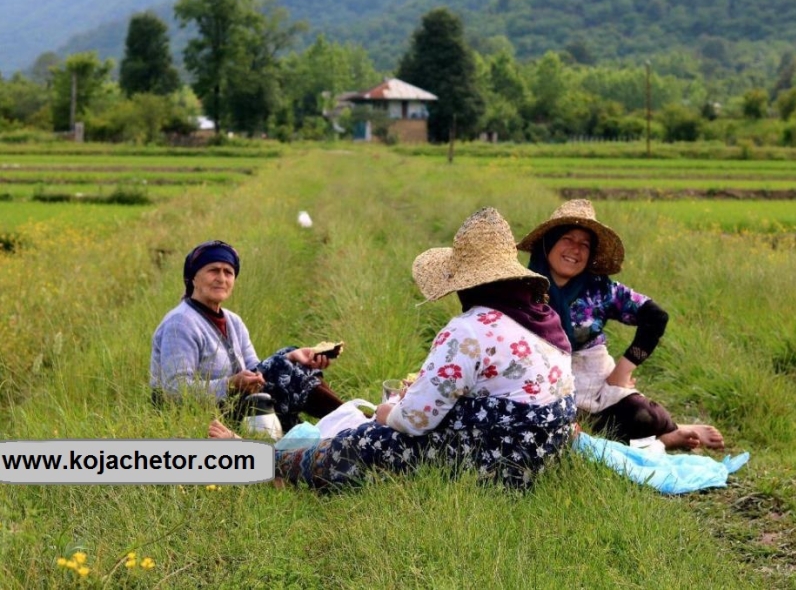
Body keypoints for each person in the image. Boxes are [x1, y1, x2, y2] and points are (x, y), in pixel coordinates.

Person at [210, 208, 578, 490]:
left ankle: (262, 466)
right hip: (535, 460)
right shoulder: (544, 319)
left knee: (362, 442)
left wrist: (388, 412)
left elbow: (415, 421)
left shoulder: (469, 330)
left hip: (489, 465)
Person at [517, 199, 724, 451]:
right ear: (548, 242)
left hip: (595, 380)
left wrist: (623, 371)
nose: (575, 250)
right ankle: (661, 438)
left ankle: (665, 432)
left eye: (585, 244)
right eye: (567, 239)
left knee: (644, 417)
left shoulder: (600, 290)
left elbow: (655, 317)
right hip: (541, 383)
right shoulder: (522, 289)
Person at [150, 240, 344, 431]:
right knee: (282, 368)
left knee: (291, 363)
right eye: (213, 270)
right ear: (193, 278)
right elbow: (174, 389)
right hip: (202, 416)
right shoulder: (181, 322)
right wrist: (230, 384)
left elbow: (256, 369)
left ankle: (342, 425)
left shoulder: (233, 321)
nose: (221, 278)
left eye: (228, 272)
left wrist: (292, 357)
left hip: (237, 405)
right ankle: (352, 420)